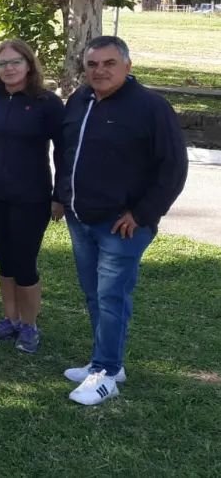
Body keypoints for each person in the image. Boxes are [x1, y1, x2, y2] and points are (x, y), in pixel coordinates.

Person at [57, 36, 187, 406]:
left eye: (109, 63)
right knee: (94, 293)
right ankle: (104, 361)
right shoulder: (79, 101)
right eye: (92, 64)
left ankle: (107, 373)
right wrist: (61, 196)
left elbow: (173, 168)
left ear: (127, 66)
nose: (99, 71)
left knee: (112, 296)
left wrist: (143, 214)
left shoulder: (151, 107)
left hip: (121, 225)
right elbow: (67, 154)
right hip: (80, 217)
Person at [0, 39, 64, 355]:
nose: (9, 68)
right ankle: (9, 320)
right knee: (5, 260)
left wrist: (60, 195)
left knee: (24, 262)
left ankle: (29, 325)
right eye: (2, 63)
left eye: (15, 62)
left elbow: (64, 151)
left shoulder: (46, 103)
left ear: (28, 65)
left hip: (32, 195)